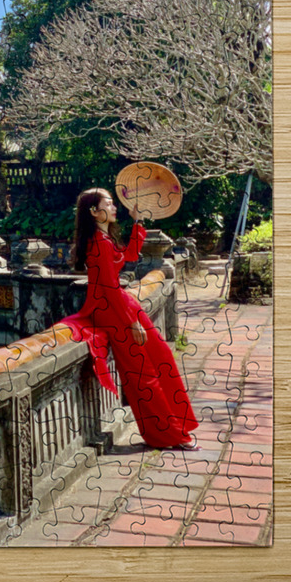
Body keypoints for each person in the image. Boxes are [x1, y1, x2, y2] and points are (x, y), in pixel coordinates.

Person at [62, 187, 200, 451]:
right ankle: (166, 436)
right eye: (109, 204)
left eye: (113, 204)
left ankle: (176, 428)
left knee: (162, 358)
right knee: (143, 375)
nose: (114, 208)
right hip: (113, 310)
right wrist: (132, 322)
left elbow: (130, 257)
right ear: (94, 211)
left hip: (122, 305)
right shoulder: (98, 242)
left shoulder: (103, 239)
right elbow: (107, 288)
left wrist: (137, 223)